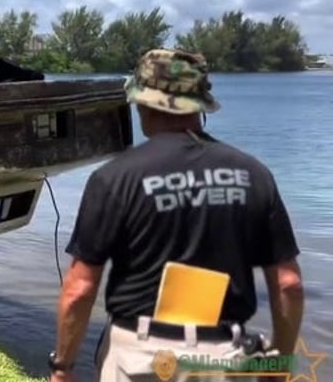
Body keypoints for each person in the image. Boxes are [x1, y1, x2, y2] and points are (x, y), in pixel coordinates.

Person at [46, 49, 304, 382]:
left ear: (142, 103)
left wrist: (63, 365)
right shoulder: (254, 174)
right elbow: (290, 284)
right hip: (224, 360)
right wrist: (279, 364)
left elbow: (80, 288)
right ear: (200, 106)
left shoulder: (114, 178)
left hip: (139, 360)